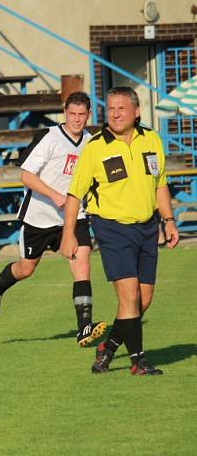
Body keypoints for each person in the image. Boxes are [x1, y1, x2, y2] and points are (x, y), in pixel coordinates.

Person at [61, 86, 179, 376]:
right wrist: (68, 234)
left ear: (136, 111)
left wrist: (169, 220)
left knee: (142, 301)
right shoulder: (95, 147)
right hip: (112, 228)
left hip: (148, 227)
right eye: (110, 108)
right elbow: (75, 195)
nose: (114, 114)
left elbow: (160, 183)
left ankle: (108, 348)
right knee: (128, 297)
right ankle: (138, 360)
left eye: (121, 108)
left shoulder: (151, 139)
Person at [0, 92, 106, 347]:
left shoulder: (91, 142)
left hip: (74, 216)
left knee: (82, 267)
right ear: (65, 112)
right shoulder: (49, 137)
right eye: (72, 114)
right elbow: (26, 176)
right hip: (39, 218)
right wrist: (54, 195)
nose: (76, 119)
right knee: (25, 270)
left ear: (89, 115)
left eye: (81, 115)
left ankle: (84, 327)